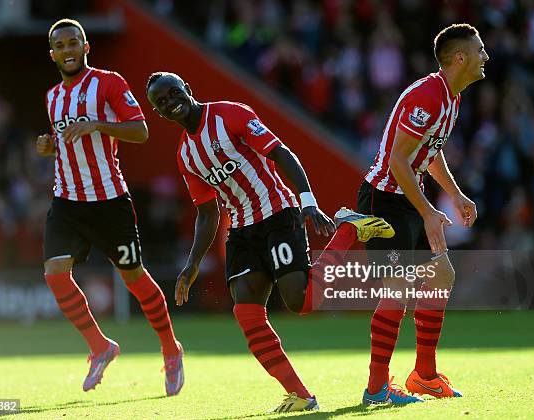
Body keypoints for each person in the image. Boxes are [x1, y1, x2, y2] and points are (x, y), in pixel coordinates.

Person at [146, 71, 394, 412]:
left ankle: (348, 230)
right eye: (161, 103)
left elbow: (281, 154)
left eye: (173, 93)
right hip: (242, 232)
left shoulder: (229, 113)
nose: (170, 103)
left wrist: (308, 202)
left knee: (301, 302)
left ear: (187, 88)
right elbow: (207, 214)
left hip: (278, 213)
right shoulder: (186, 156)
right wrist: (192, 264)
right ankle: (302, 396)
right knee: (246, 312)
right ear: (158, 113)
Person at [37, 19, 183, 395]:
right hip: (67, 200)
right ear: (52, 53)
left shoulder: (109, 83)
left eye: (74, 43)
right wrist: (52, 144)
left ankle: (170, 349)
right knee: (55, 274)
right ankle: (100, 347)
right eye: (60, 46)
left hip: (109, 201)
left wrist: (97, 125)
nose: (67, 50)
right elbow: (68, 137)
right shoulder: (52, 97)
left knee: (133, 277)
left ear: (86, 47)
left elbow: (141, 131)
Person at [358, 23, 487, 405]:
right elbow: (398, 160)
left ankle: (425, 376)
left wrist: (456, 194)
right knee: (397, 290)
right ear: (460, 58)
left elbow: (428, 154)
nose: (485, 57)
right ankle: (376, 388)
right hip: (384, 199)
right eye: (480, 50)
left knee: (441, 276)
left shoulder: (452, 97)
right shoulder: (429, 95)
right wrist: (430, 211)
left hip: (408, 199)